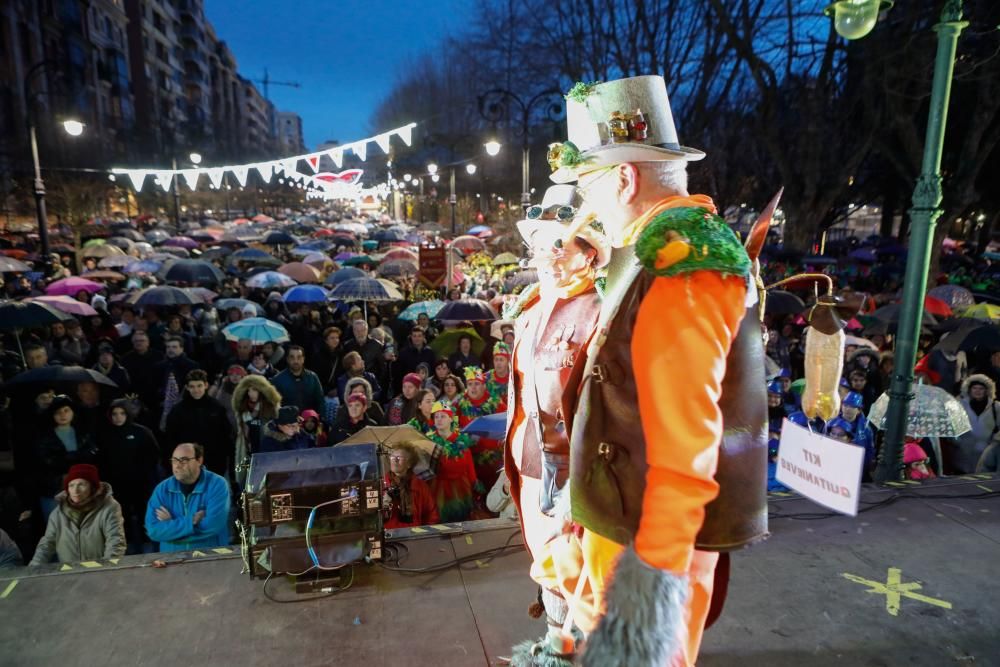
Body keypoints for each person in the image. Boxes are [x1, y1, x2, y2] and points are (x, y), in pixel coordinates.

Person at [515, 75, 768, 666]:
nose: (586, 205)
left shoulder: (681, 261)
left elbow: (684, 452)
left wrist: (645, 596)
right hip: (624, 531)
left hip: (646, 550)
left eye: (588, 184)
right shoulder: (660, 248)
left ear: (624, 177)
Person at [29, 464, 125, 565]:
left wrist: (108, 569)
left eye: (81, 484)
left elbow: (115, 542)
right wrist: (34, 569)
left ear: (92, 487)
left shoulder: (109, 507)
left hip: (100, 570)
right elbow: (47, 543)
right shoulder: (58, 512)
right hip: (70, 572)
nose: (75, 490)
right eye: (71, 485)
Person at [97, 400, 160, 553]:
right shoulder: (105, 434)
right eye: (114, 414)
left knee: (143, 514)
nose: (118, 417)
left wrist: (143, 473)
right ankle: (127, 547)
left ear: (128, 414)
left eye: (122, 413)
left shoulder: (141, 432)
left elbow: (154, 455)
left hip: (141, 484)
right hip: (117, 486)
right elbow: (101, 461)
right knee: (120, 517)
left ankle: (148, 546)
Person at [144, 443, 231, 552]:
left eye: (184, 460)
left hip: (209, 558)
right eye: (174, 460)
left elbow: (213, 525)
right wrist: (192, 521)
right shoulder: (162, 489)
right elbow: (153, 531)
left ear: (199, 460)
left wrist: (171, 526)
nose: (177, 465)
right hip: (172, 560)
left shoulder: (217, 484)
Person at [35, 395, 99, 520]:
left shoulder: (83, 433)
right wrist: (69, 459)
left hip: (81, 486)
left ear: (73, 412)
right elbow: (45, 459)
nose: (62, 415)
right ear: (52, 415)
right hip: (54, 488)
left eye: (66, 410)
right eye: (58, 412)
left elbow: (93, 452)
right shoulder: (45, 436)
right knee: (57, 525)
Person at [165, 369, 233, 479]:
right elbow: (170, 439)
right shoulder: (177, 410)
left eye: (199, 386)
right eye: (192, 386)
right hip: (187, 462)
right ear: (187, 387)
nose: (196, 390)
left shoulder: (217, 408)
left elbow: (226, 436)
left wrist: (224, 460)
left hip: (214, 462)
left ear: (206, 385)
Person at [427, 402, 480, 522]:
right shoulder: (428, 441)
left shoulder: (461, 441)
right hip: (437, 488)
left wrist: (474, 484)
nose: (439, 420)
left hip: (460, 488)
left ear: (451, 419)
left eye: (443, 416)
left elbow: (469, 466)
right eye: (436, 417)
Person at [232, 374, 282, 482]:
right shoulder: (243, 410)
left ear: (261, 391)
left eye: (254, 390)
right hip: (248, 452)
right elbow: (241, 432)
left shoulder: (270, 408)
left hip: (267, 451)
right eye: (249, 390)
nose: (251, 394)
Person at [383, 441, 439, 529]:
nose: (395, 460)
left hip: (414, 535)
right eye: (392, 456)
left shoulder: (420, 486)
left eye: (399, 457)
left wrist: (424, 534)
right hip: (389, 537)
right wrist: (383, 506)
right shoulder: (382, 485)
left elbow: (432, 515)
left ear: (409, 464)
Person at [954, 375, 1000, 474]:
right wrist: (957, 442)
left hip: (986, 455)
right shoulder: (959, 405)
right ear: (969, 390)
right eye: (974, 388)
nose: (977, 391)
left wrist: (993, 445)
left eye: (981, 388)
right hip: (962, 455)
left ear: (987, 390)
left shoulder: (996, 407)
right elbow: (953, 427)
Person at [153, 335, 199, 433]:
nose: (170, 350)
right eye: (168, 347)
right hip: (162, 407)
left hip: (185, 407)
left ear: (182, 348)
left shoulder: (192, 366)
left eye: (174, 347)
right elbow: (154, 386)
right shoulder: (159, 366)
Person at [120, 330, 164, 417]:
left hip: (155, 397)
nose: (139, 343)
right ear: (132, 343)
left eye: (142, 341)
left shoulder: (159, 356)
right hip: (135, 397)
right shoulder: (125, 359)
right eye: (136, 341)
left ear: (148, 343)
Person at [271, 345, 325, 415]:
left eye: (299, 357)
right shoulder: (278, 380)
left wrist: (320, 419)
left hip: (310, 422)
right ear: (287, 359)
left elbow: (320, 401)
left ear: (303, 359)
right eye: (292, 357)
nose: (295, 361)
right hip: (288, 423)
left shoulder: (312, 377)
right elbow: (274, 405)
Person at [341, 319, 386, 393]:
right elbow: (345, 367)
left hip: (372, 382)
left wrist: (377, 382)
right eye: (357, 330)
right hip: (353, 383)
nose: (360, 333)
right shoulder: (347, 346)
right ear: (353, 331)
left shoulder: (376, 345)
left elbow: (382, 367)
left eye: (363, 330)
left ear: (367, 330)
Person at [311, 326, 344, 395]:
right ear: (326, 340)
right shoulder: (319, 356)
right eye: (332, 338)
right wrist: (327, 391)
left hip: (339, 391)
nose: (335, 340)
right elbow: (316, 377)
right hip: (324, 391)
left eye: (337, 338)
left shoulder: (342, 354)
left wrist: (339, 388)